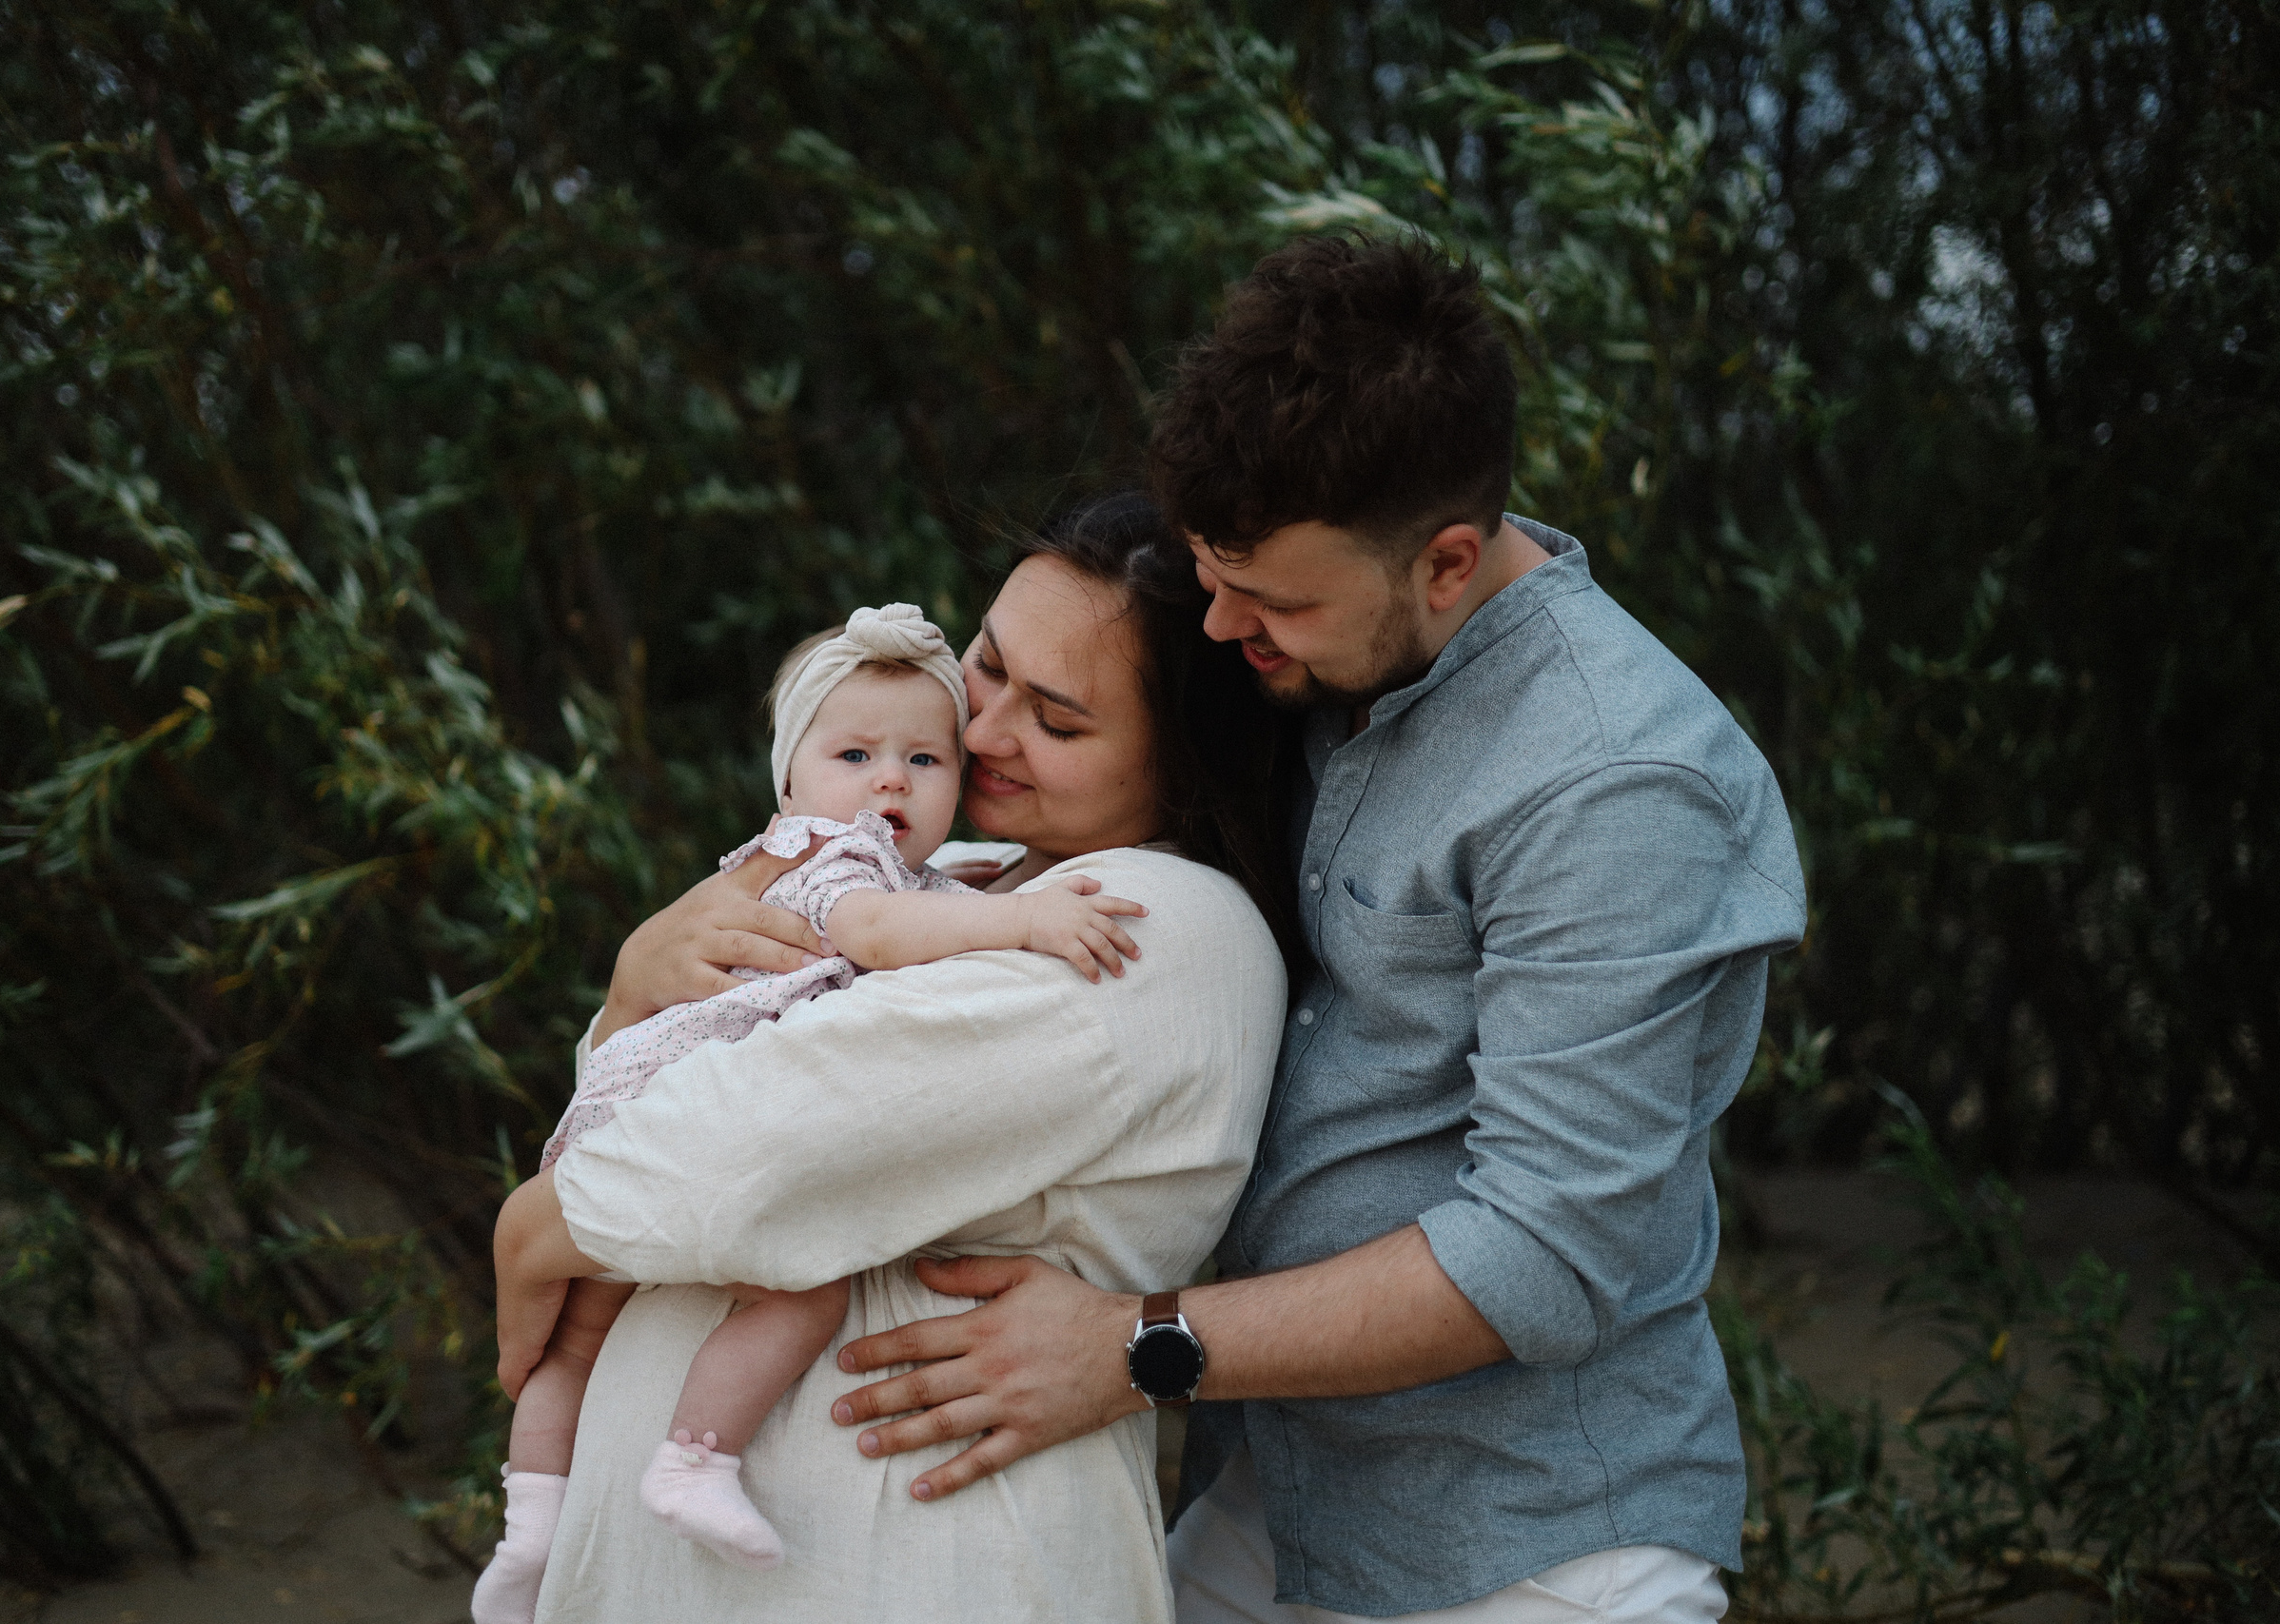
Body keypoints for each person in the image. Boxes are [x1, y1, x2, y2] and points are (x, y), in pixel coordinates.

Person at [826, 235, 1809, 1623]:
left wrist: (1131, 1346)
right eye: (1216, 575)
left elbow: (1537, 1253)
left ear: (1449, 559)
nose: (1223, 624)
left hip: (1524, 1548)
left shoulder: (1612, 781)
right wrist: (718, 922)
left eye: (1271, 598)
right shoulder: (1317, 652)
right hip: (1273, 1492)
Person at [488, 494, 1303, 1621]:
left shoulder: (1153, 926)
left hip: (907, 1566)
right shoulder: (956, 874)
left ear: (1184, 768)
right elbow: (669, 1061)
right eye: (987, 666)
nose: (977, 733)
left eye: (1056, 723)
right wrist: (634, 983)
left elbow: (749, 1143)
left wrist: (532, 1232)